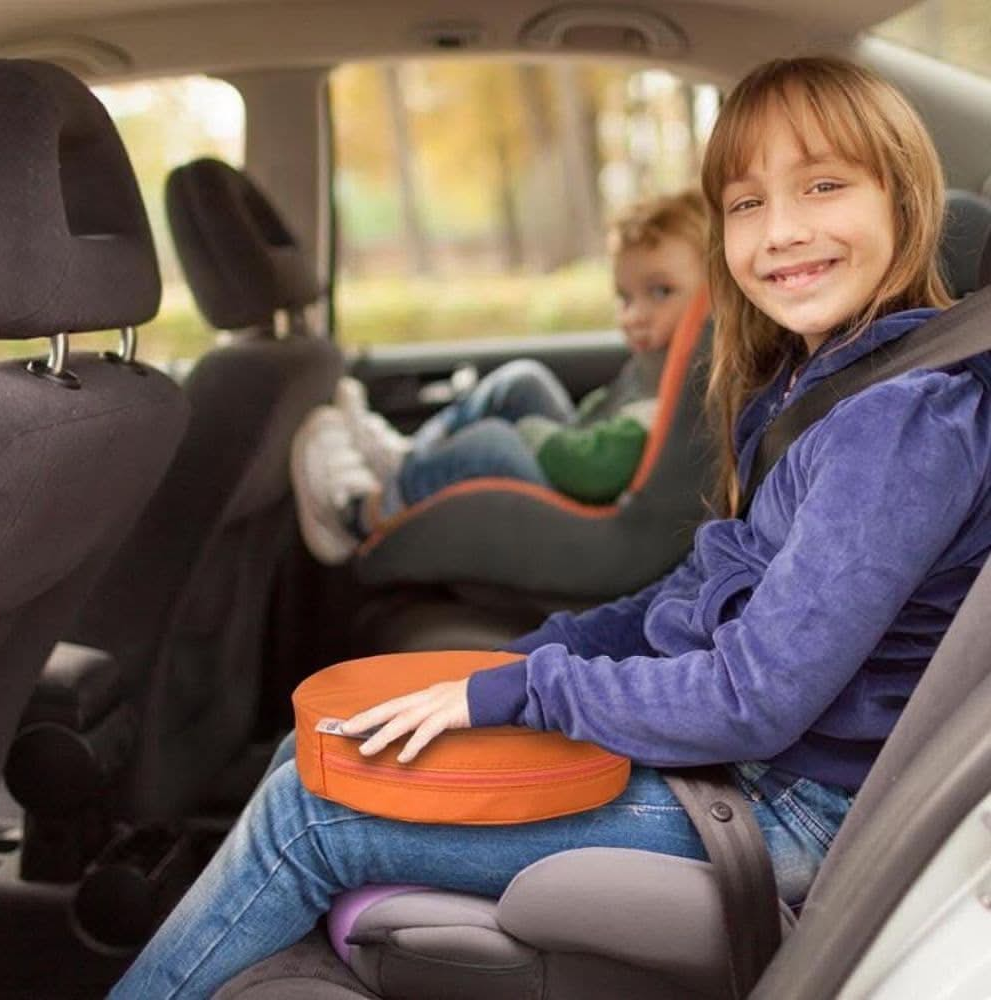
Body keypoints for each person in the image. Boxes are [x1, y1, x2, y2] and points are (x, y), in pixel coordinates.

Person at [110, 56, 991, 999]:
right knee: (330, 751)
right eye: (745, 203)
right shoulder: (817, 385)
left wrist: (526, 692)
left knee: (307, 810)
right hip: (745, 776)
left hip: (790, 816)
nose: (782, 232)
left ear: (906, 198)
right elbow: (694, 589)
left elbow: (753, 700)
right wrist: (516, 662)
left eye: (824, 186)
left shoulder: (899, 427)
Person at [291, 190, 708, 562]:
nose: (632, 316)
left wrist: (532, 432)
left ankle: (358, 515)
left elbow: (595, 469)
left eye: (660, 292)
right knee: (522, 380)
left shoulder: (695, 384)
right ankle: (409, 457)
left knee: (492, 443)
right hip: (588, 459)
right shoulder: (662, 359)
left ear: (716, 298)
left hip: (595, 512)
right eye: (624, 297)